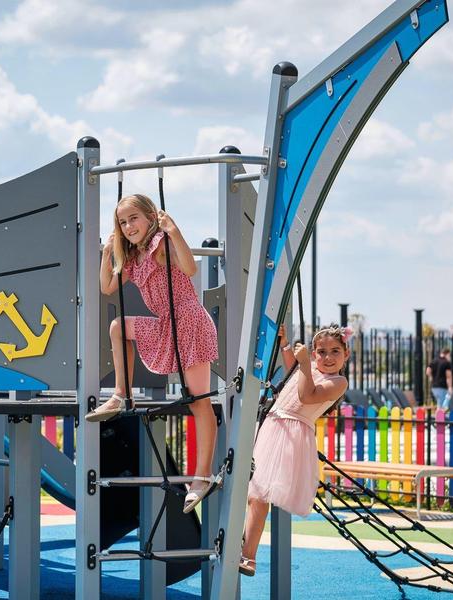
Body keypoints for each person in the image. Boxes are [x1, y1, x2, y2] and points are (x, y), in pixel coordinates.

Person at [85, 193, 219, 513]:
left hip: (189, 322)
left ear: (150, 217)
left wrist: (173, 230)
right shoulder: (133, 258)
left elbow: (189, 269)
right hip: (164, 324)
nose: (128, 226)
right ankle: (122, 393)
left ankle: (202, 477)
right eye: (122, 222)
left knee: (199, 401)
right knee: (119, 327)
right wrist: (107, 252)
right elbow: (106, 287)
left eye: (134, 218)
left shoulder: (160, 244)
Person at [239, 324, 350, 576]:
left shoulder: (338, 382)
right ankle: (241, 541)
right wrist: (286, 346)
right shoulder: (308, 368)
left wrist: (304, 365)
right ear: (314, 354)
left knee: (259, 495)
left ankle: (248, 556)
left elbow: (306, 396)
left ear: (346, 354)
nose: (328, 358)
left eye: (335, 351)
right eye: (321, 352)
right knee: (248, 491)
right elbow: (292, 374)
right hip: (271, 424)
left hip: (290, 434)